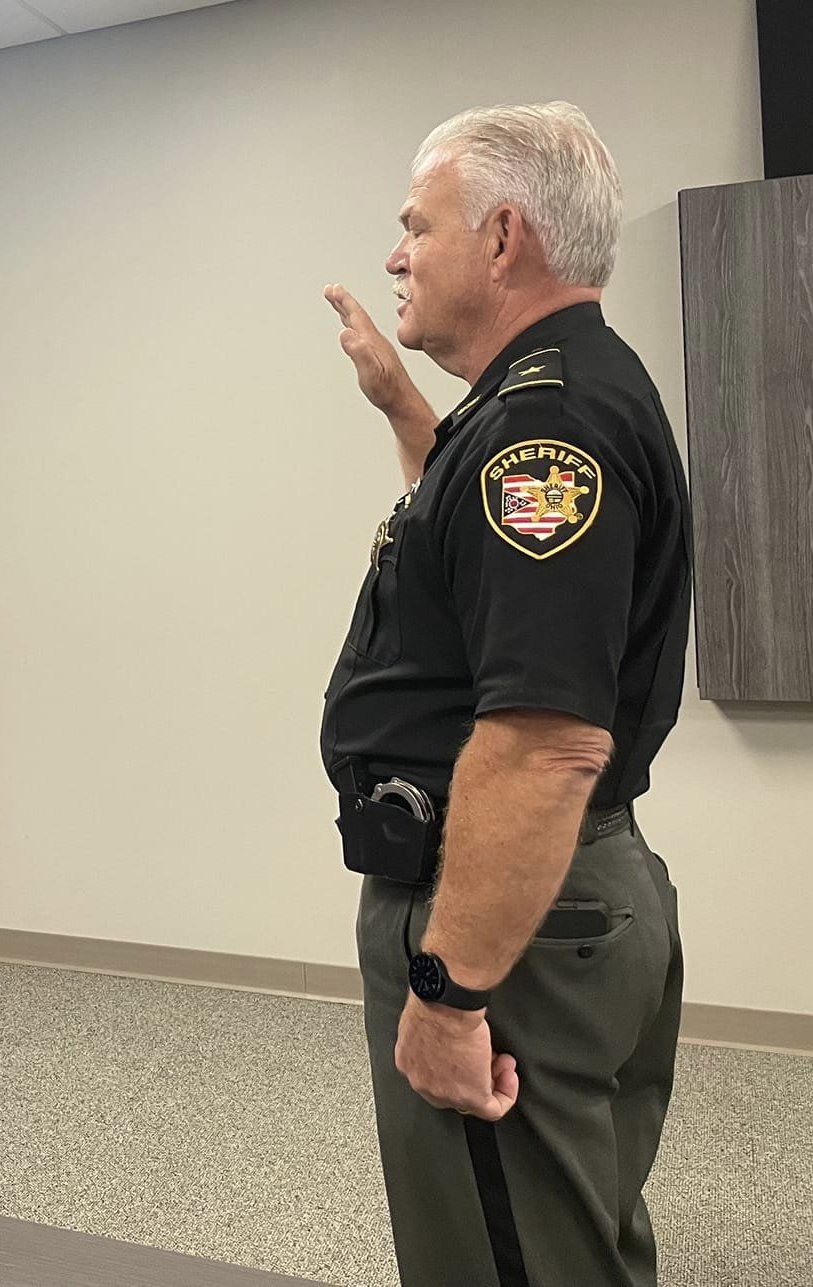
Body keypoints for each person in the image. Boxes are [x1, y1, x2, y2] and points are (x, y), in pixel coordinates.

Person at [320, 103, 690, 1286]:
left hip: (506, 924)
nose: (393, 255)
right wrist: (398, 407)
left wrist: (446, 988)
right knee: (569, 1240)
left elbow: (542, 747)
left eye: (413, 226)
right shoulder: (547, 394)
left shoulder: (545, 424)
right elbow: (480, 545)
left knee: (504, 1260)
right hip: (557, 899)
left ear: (500, 238)